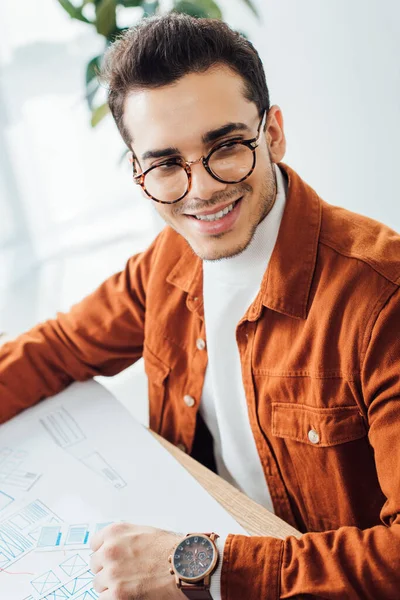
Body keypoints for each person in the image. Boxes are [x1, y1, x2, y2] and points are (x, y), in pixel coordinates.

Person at [1, 12, 399, 600]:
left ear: (275, 133)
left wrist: (204, 566)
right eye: (166, 165)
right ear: (138, 173)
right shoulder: (168, 259)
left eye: (227, 146)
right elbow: (58, 348)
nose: (202, 189)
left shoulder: (381, 300)